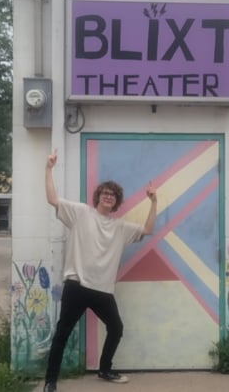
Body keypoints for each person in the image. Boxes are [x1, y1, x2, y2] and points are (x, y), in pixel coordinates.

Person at [43, 149, 157, 392]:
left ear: (117, 201)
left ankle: (105, 369)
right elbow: (53, 199)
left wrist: (154, 201)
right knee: (62, 334)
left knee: (116, 328)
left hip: (102, 289)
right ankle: (50, 382)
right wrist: (49, 168)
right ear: (98, 197)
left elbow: (147, 230)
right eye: (105, 193)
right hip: (77, 285)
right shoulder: (81, 212)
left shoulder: (120, 227)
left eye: (113, 195)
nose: (108, 196)